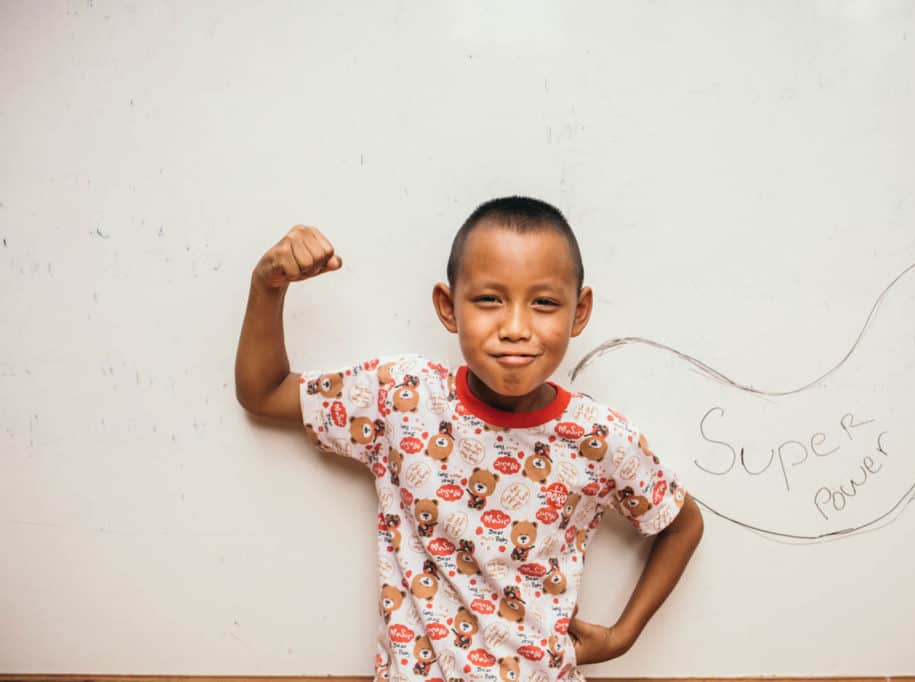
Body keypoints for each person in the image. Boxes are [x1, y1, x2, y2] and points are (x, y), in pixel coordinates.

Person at [235, 196, 704, 681]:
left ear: (579, 312)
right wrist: (267, 287)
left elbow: (681, 524)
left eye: (544, 303)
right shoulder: (402, 400)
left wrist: (621, 636)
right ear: (448, 306)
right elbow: (265, 392)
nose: (516, 328)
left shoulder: (598, 438)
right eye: (488, 299)